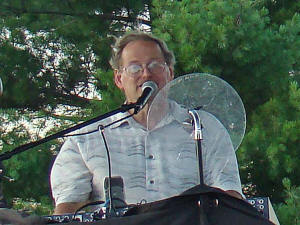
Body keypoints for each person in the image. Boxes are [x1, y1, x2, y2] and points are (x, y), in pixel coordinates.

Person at [50, 31, 243, 215]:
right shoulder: (86, 138)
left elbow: (231, 199)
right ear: (119, 79)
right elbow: (67, 210)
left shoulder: (205, 128)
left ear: (170, 73)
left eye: (155, 66)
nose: (146, 75)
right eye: (135, 68)